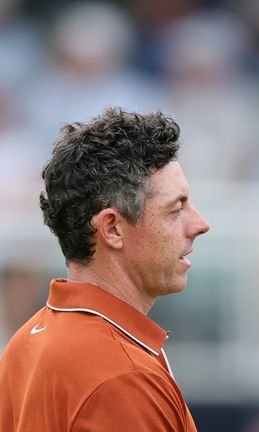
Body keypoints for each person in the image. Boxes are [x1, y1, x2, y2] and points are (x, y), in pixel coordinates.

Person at [0, 107, 209, 431]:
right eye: (176, 209)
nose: (200, 224)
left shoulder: (26, 342)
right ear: (112, 228)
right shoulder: (122, 377)